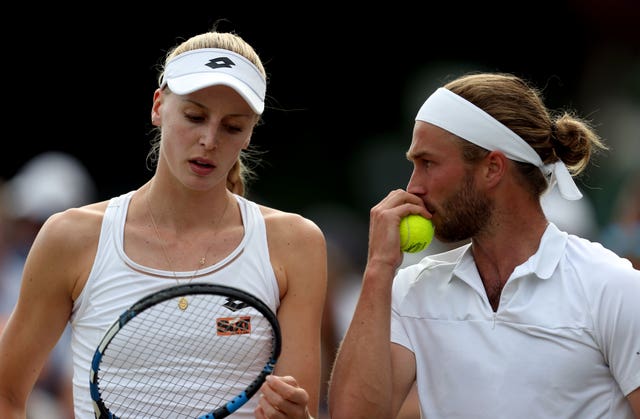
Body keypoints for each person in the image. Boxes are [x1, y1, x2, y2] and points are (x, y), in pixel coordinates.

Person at [0, 29, 327, 419]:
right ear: (158, 107)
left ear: (250, 133)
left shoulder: (296, 244)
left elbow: (295, 402)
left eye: (232, 126)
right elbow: (6, 393)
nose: (209, 139)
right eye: (194, 116)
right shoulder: (71, 236)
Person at [328, 72, 640, 418]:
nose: (412, 187)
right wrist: (378, 268)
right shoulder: (411, 288)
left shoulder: (614, 288)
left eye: (428, 163)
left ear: (492, 168)